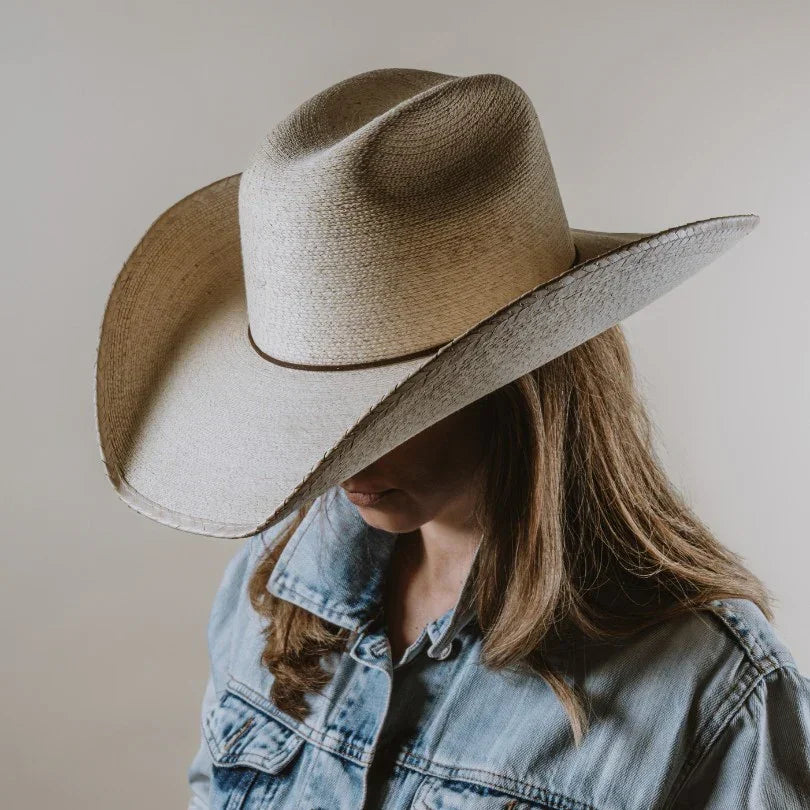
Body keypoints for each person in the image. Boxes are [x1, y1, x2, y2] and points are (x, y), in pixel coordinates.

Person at [92, 67, 810, 808]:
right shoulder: (271, 588)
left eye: (385, 412)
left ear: (520, 381)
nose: (335, 457)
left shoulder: (709, 695)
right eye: (314, 412)